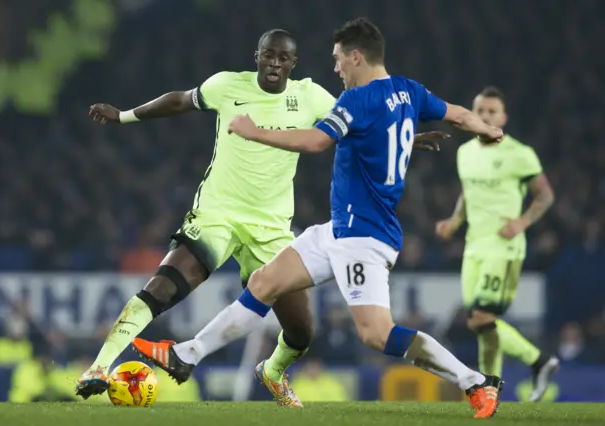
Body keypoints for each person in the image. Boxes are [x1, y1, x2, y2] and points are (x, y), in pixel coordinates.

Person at [133, 18, 505, 418]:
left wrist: (255, 132)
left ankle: (476, 382)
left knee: (376, 334)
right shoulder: (409, 91)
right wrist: (488, 130)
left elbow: (316, 140)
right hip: (339, 231)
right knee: (264, 282)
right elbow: (458, 114)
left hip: (363, 237)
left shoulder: (356, 100)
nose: (335, 69)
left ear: (356, 56)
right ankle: (186, 355)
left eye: (338, 60)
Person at [75, 27, 449, 403]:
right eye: (268, 55)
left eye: (282, 58)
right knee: (164, 286)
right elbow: (178, 101)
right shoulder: (226, 86)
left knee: (301, 332)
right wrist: (123, 116)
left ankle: (272, 371)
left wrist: (407, 140)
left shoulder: (310, 96)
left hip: (271, 228)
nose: (274, 63)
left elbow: (358, 128)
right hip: (217, 215)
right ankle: (98, 367)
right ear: (257, 56)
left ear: (293, 63)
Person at [435, 87, 558, 402]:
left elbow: (544, 194)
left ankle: (538, 361)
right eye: (481, 111)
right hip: (473, 246)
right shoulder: (465, 153)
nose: (486, 116)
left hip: (503, 248)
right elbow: (467, 191)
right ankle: (492, 390)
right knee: (480, 325)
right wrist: (454, 220)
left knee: (481, 317)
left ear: (502, 117)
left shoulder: (519, 153)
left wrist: (522, 222)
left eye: (492, 112)